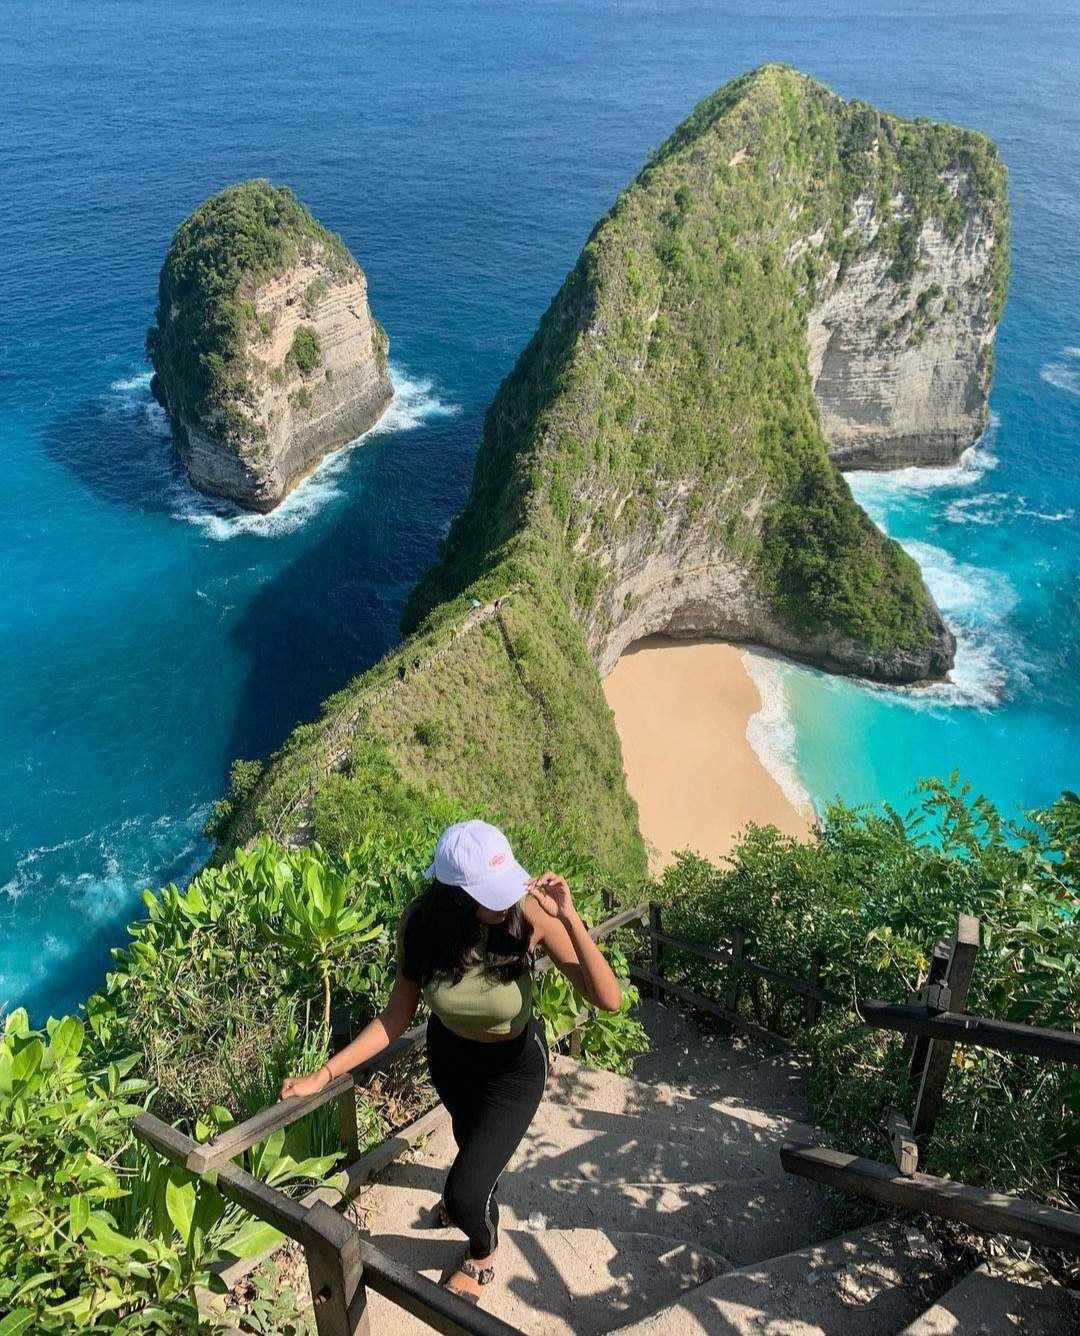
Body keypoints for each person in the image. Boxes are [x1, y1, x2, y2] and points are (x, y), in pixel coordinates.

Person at [279, 819, 623, 1304]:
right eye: (491, 890)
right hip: (451, 1060)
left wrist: (570, 919)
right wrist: (324, 1074)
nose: (505, 899)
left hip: (514, 1068)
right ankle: (480, 1196)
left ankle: (482, 1253)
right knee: (471, 1150)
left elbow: (608, 999)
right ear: (456, 893)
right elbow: (396, 1016)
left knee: (463, 1193)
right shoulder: (422, 926)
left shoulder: (528, 914)